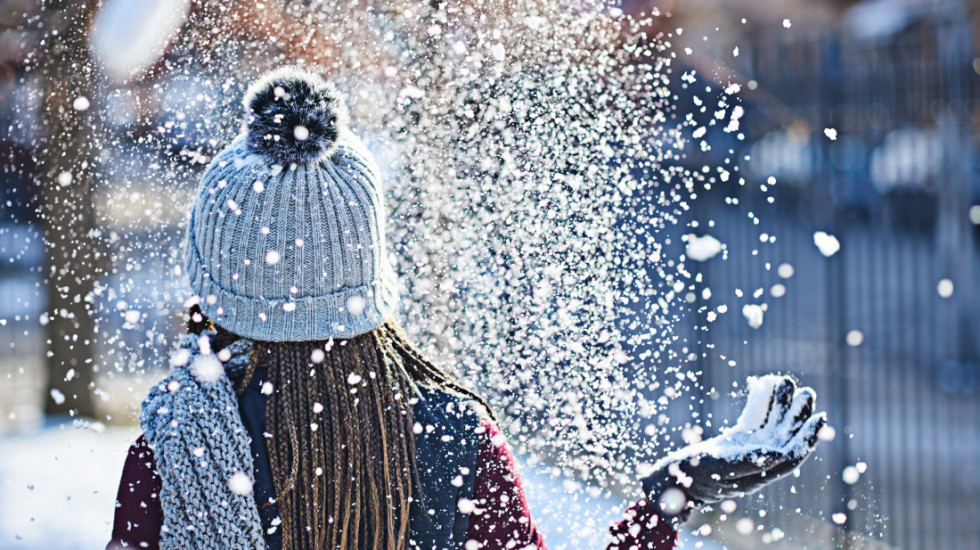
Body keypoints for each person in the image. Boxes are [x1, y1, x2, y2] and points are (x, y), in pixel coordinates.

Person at [108, 67, 827, 550]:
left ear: (215, 279)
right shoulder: (452, 437)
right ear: (369, 268)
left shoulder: (179, 446)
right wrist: (672, 495)